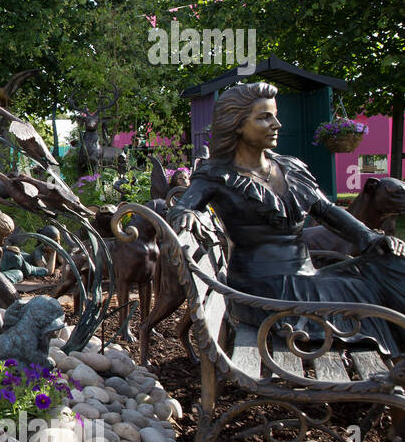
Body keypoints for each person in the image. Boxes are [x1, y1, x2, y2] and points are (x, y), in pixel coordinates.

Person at [168, 82, 405, 356]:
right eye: (264, 117)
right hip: (262, 288)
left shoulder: (290, 167)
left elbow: (327, 210)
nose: (277, 124)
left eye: (275, 115)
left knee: (392, 262)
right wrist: (187, 214)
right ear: (236, 125)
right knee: (365, 293)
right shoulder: (217, 174)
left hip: (306, 278)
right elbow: (181, 208)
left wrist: (370, 238)